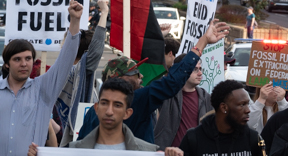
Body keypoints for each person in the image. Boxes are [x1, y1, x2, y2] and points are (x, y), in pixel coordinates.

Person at [0, 1, 83, 156]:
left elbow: (66, 60)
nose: (24, 63)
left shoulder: (43, 90)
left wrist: (75, 22)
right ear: (7, 64)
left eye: (28, 58)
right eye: (17, 59)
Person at [78, 19, 229, 143]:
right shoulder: (137, 101)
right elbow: (172, 81)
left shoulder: (92, 113)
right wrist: (203, 41)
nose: (141, 76)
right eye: (135, 73)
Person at [179, 80, 266, 156]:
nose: (248, 110)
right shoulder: (193, 138)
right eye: (242, 105)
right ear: (224, 107)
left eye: (247, 104)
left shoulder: (253, 138)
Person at [66, 78, 180, 154]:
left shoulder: (148, 153)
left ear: (127, 113)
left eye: (117, 105)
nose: (109, 111)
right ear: (96, 108)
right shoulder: (72, 152)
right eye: (104, 103)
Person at [56, 0, 108, 145]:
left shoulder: (72, 71)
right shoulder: (74, 72)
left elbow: (94, 51)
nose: (63, 45)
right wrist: (104, 13)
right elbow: (96, 50)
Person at [154, 54, 212, 149]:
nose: (200, 73)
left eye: (200, 69)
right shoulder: (167, 94)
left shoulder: (207, 98)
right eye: (194, 69)